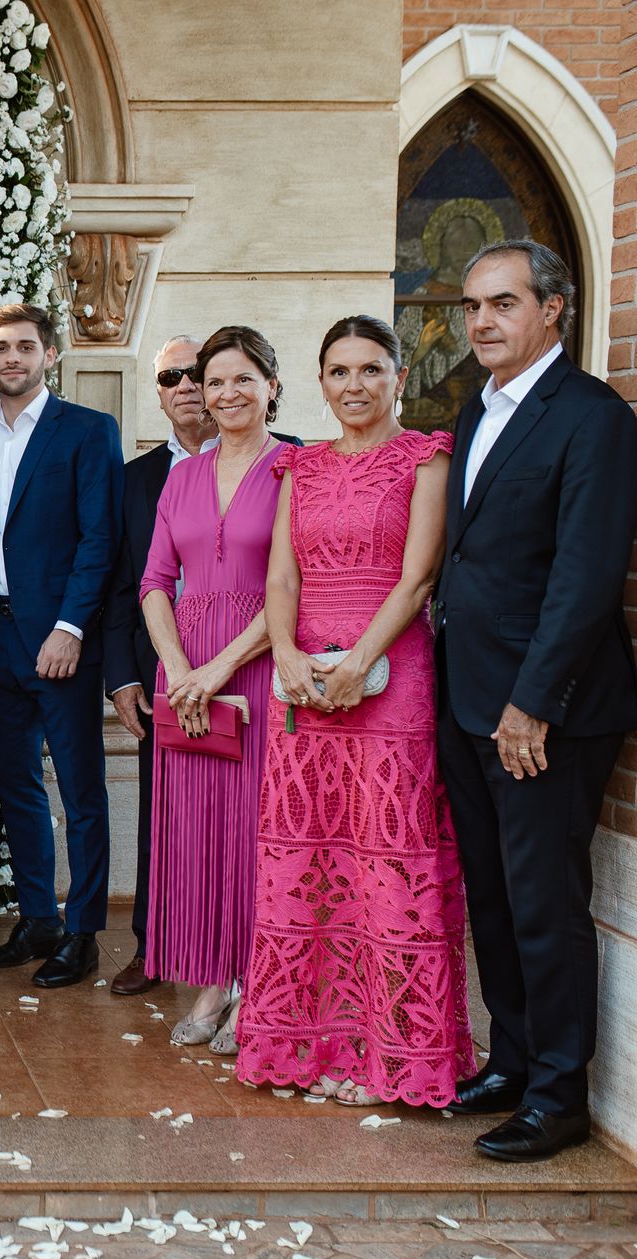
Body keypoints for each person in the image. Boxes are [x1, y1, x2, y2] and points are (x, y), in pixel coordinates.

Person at [237, 315, 473, 1107]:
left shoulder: (426, 456)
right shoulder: (298, 467)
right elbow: (280, 579)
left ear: (399, 376)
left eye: (370, 370)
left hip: (391, 675)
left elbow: (418, 580)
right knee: (309, 859)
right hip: (302, 684)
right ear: (319, 382)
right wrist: (293, 657)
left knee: (385, 860)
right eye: (338, 372)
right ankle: (314, 1040)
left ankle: (393, 1053)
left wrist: (361, 661)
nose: (354, 386)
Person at [436, 241, 637, 1161]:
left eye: (503, 304)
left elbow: (587, 577)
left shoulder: (592, 416)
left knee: (546, 902)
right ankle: (511, 1060)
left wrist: (532, 703)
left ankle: (558, 1095)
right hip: (467, 697)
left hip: (542, 714)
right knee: (495, 895)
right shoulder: (474, 405)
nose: (482, 322)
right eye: (473, 306)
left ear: (552, 310)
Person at [102, 340, 300, 997]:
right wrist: (178, 667)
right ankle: (212, 979)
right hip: (182, 668)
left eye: (244, 378)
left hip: (255, 660)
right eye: (216, 381)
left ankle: (256, 984)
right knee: (194, 833)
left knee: (254, 829)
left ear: (273, 384)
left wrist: (214, 670)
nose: (225, 392)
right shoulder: (180, 477)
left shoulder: (298, 468)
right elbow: (154, 579)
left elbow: (296, 588)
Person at [0, 302, 122, 989]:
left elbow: (100, 538)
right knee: (16, 786)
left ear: (49, 355)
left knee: (81, 789)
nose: (12, 358)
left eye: (25, 347)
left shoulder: (87, 431)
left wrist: (70, 626)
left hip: (59, 637)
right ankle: (38, 917)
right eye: (1, 348)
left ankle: (84, 930)